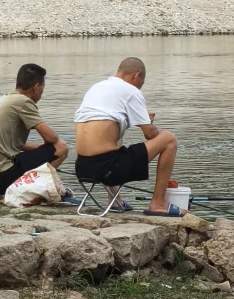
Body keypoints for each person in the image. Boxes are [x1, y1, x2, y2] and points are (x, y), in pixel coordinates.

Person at [74, 56, 180, 215]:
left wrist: (139, 119)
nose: (140, 88)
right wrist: (148, 124)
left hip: (82, 169)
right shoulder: (131, 91)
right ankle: (158, 203)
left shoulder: (96, 87)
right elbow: (151, 135)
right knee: (169, 139)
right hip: (109, 171)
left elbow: (105, 127)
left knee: (116, 137)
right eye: (142, 83)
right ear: (137, 75)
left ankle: (114, 201)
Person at [0, 63, 70, 202]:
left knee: (36, 148)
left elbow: (3, 140)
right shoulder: (24, 102)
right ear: (36, 87)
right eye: (42, 88)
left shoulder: (5, 99)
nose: (42, 92)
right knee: (61, 147)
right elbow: (52, 138)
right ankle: (37, 190)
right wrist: (44, 147)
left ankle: (0, 194)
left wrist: (31, 147)